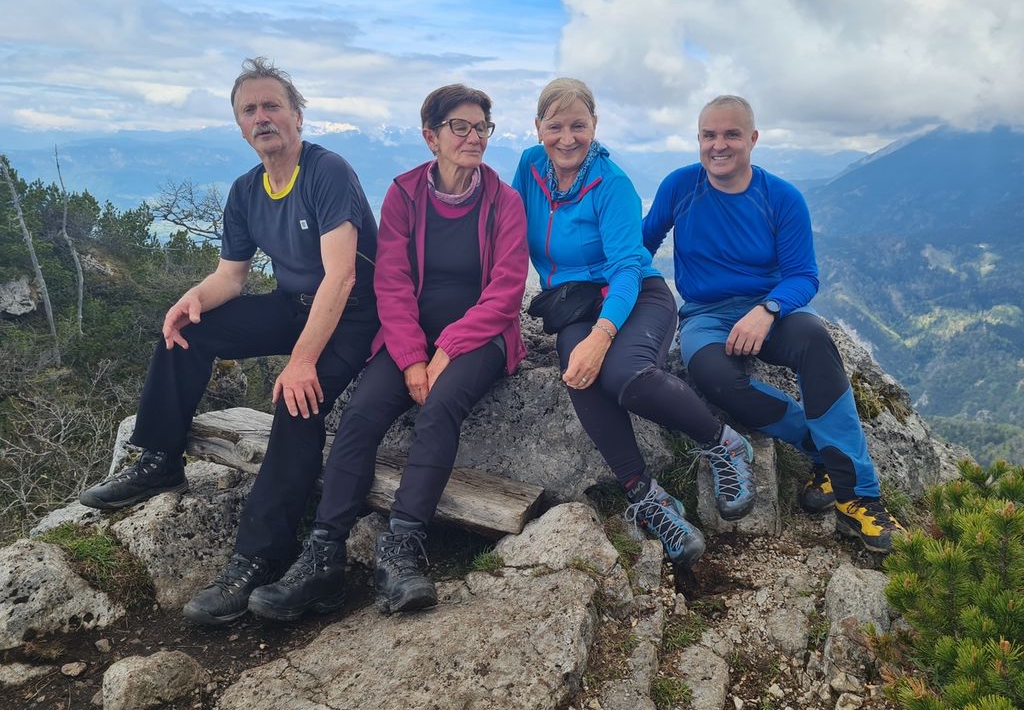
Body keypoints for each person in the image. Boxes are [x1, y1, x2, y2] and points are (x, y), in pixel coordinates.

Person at [78, 57, 381, 624]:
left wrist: (302, 361)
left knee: (297, 400)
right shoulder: (246, 190)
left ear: (297, 116)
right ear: (241, 126)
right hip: (293, 305)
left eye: (272, 106)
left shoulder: (327, 171)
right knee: (187, 332)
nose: (262, 117)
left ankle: (258, 558)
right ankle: (160, 458)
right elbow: (231, 276)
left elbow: (341, 277)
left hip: (356, 315)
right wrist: (192, 299)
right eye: (249, 110)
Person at [242, 84, 529, 621]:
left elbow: (506, 292)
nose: (474, 137)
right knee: (360, 415)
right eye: (460, 127)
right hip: (410, 335)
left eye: (481, 127)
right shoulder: (404, 194)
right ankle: (324, 557)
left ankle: (401, 548)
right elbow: (391, 285)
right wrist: (413, 356)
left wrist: (445, 351)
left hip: (481, 337)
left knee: (440, 407)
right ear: (431, 137)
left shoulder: (503, 202)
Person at [643, 94, 905, 554]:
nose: (719, 145)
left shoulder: (781, 197)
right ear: (698, 138)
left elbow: (804, 275)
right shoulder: (680, 187)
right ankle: (824, 450)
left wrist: (768, 309)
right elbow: (641, 245)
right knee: (711, 373)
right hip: (705, 314)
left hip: (770, 307)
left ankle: (858, 496)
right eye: (709, 135)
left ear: (753, 139)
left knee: (814, 339)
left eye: (731, 134)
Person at [512, 78, 756, 569]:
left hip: (638, 294)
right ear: (538, 128)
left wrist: (602, 336)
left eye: (578, 125)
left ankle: (723, 443)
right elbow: (510, 233)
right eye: (555, 126)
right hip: (575, 303)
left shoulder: (612, 184)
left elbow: (626, 266)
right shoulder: (530, 166)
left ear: (594, 125)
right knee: (579, 376)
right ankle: (647, 497)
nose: (567, 138)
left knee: (626, 376)